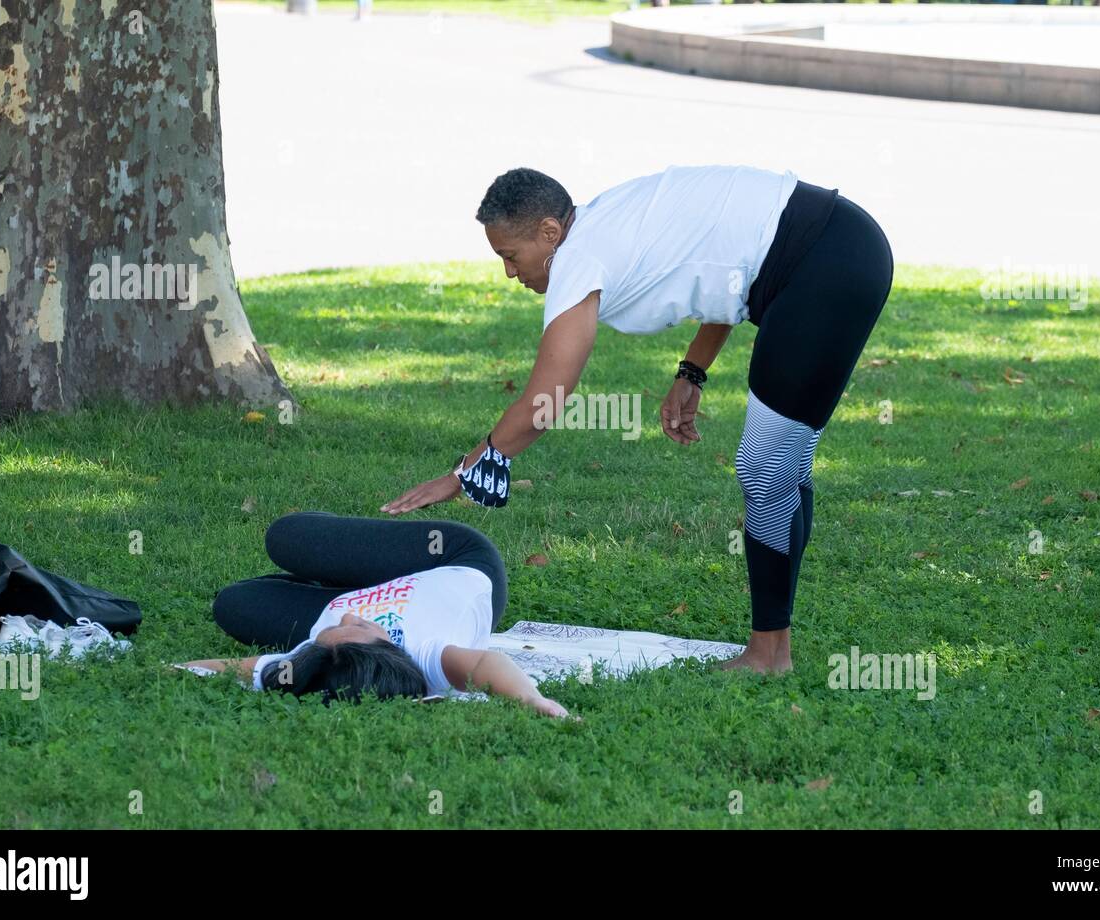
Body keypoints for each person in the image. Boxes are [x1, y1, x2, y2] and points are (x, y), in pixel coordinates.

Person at [380, 164, 894, 674]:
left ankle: (767, 656)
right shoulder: (604, 221)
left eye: (510, 257)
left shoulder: (578, 259)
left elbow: (547, 399)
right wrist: (693, 371)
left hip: (824, 263)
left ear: (550, 232)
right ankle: (773, 650)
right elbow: (730, 269)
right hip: (839, 247)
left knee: (766, 470)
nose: (510, 273)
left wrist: (462, 473)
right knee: (781, 469)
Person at [177, 512, 571, 718]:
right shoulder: (427, 654)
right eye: (361, 627)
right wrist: (531, 699)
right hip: (451, 560)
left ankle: (333, 574)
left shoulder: (318, 665)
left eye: (328, 634)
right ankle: (336, 563)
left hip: (366, 588)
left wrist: (171, 668)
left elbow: (232, 667)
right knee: (285, 536)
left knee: (232, 604)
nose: (347, 618)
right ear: (388, 648)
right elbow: (488, 662)